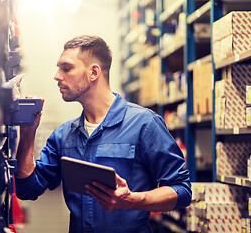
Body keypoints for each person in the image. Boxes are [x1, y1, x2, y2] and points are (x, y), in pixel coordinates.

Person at [15, 35, 192, 232]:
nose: (57, 76)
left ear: (93, 72)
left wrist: (134, 200)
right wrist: (28, 133)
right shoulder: (64, 136)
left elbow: (182, 191)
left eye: (66, 68)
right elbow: (26, 189)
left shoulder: (144, 124)